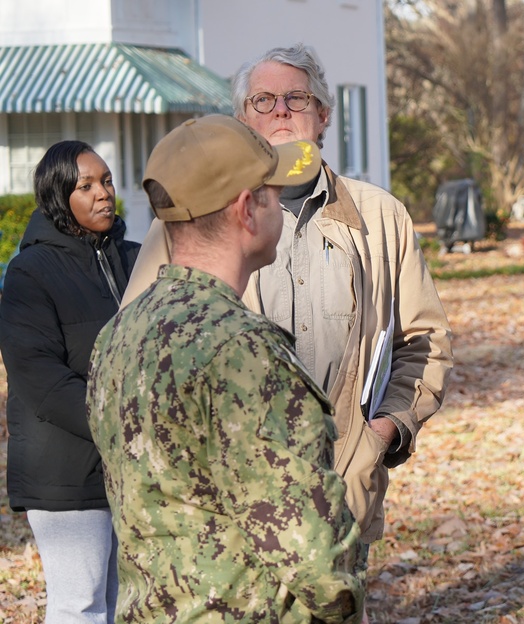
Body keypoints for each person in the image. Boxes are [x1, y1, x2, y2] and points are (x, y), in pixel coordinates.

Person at [121, 44, 453, 554]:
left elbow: (424, 342)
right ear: (241, 120)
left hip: (341, 497)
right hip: (227, 513)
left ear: (322, 115)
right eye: (263, 100)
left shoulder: (381, 216)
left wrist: (383, 433)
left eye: (297, 99)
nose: (280, 111)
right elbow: (137, 345)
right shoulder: (191, 216)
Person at [87, 115, 364, 622]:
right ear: (247, 209)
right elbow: (315, 556)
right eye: (272, 192)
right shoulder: (245, 353)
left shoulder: (119, 334)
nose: (280, 203)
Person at [0, 141, 140, 623]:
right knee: (79, 605)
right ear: (59, 197)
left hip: (129, 469)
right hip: (65, 470)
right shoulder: (30, 273)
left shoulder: (136, 261)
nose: (103, 194)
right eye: (86, 186)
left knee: (126, 604)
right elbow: (41, 380)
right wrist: (124, 425)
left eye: (106, 181)